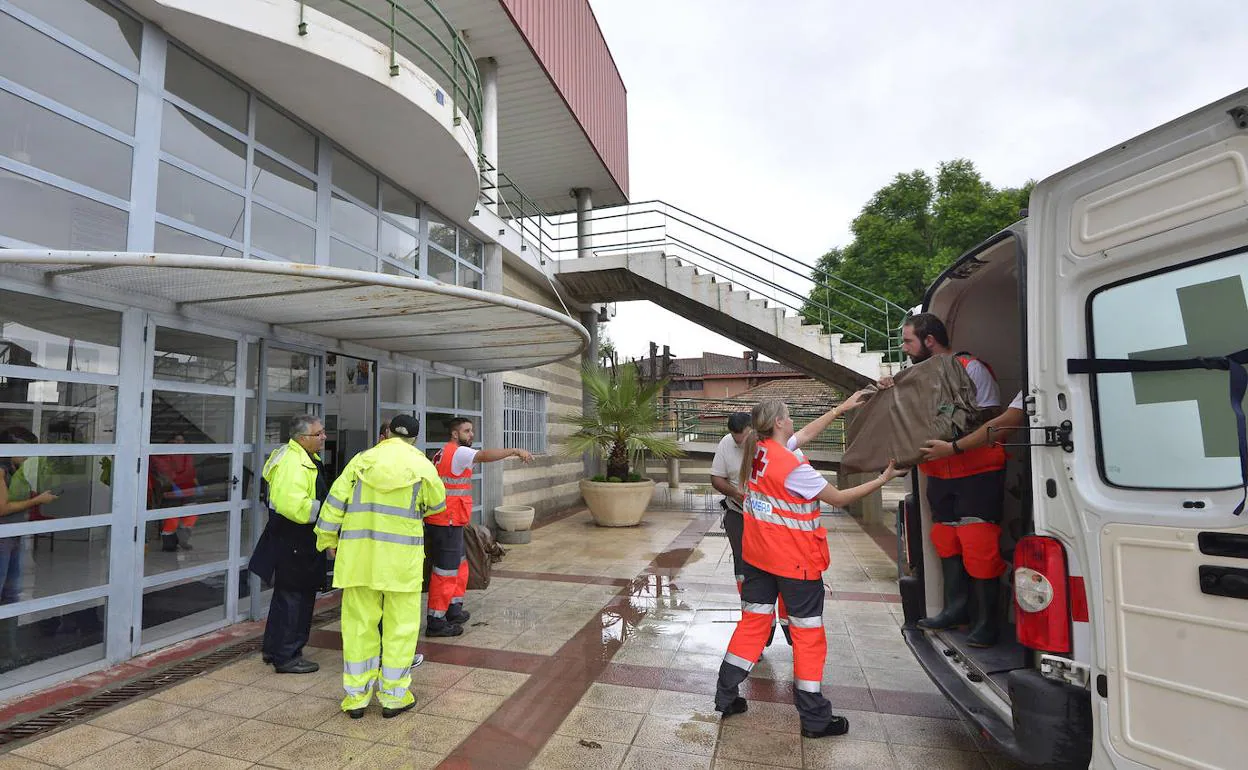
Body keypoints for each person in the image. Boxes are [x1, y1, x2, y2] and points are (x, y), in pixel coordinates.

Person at [715, 398, 906, 738]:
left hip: (759, 558)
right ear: (777, 423)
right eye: (787, 416)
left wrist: (840, 409)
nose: (792, 422)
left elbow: (803, 435)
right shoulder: (792, 467)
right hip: (795, 563)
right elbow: (840, 498)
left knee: (752, 626)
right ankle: (815, 719)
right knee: (808, 636)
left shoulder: (759, 452)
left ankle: (726, 696)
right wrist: (884, 478)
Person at [882, 312, 1007, 647]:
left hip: (977, 472)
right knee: (946, 540)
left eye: (909, 341)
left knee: (978, 544)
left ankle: (987, 622)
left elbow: (993, 420)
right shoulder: (914, 376)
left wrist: (954, 447)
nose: (905, 348)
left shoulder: (970, 368)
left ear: (930, 340)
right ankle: (957, 609)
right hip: (938, 473)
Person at [314, 414, 445, 718]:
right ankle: (393, 697)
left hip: (359, 560)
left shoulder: (361, 461)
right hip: (401, 564)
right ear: (414, 438)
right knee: (401, 629)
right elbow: (437, 505)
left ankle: (357, 698)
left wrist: (327, 540)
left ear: (386, 434)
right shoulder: (422, 464)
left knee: (358, 627)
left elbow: (334, 503)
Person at [425, 417, 533, 637]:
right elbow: (484, 456)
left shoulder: (442, 453)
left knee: (458, 565)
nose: (471, 435)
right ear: (455, 434)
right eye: (467, 431)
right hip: (447, 521)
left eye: (471, 431)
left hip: (448, 521)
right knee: (445, 571)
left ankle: (453, 609)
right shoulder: (459, 452)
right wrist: (514, 450)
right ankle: (436, 621)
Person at [251, 415, 329, 674]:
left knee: (287, 597)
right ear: (302, 438)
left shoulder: (297, 456)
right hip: (295, 540)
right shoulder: (293, 462)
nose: (324, 437)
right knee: (296, 598)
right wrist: (328, 512)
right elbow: (292, 505)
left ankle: (276, 649)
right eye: (318, 434)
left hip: (293, 539)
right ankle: (288, 656)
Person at [0, 428, 58, 660]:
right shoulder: (1, 470)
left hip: (14, 535)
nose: (28, 455)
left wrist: (32, 495)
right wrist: (37, 500)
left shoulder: (16, 469)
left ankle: (9, 649)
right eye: (25, 450)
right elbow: (2, 508)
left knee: (12, 594)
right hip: (3, 537)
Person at [151, 433, 200, 552]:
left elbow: (191, 470)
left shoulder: (187, 454)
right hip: (172, 490)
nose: (180, 443)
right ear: (171, 441)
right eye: (177, 440)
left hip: (187, 489)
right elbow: (164, 470)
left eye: (182, 440)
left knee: (190, 515)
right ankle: (169, 544)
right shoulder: (164, 454)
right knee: (171, 518)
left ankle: (182, 540)